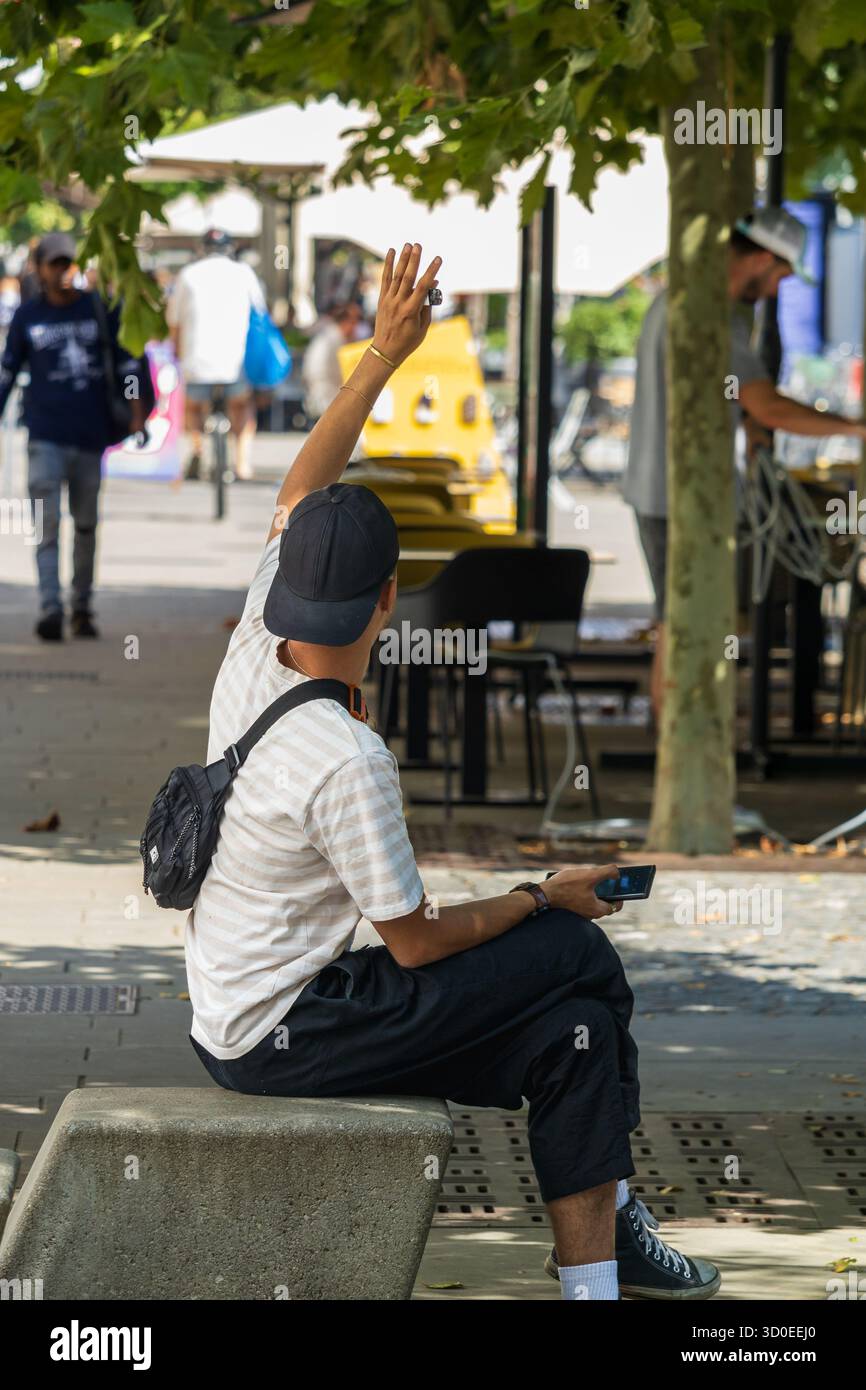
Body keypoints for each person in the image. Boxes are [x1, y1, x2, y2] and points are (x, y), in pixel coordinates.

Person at [185, 242, 721, 1303]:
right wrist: (535, 894)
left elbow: (303, 481)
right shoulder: (346, 758)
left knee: (569, 1035)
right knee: (572, 944)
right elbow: (419, 941)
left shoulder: (255, 643)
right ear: (390, 601)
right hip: (288, 1030)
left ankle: (598, 1280)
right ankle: (617, 1213)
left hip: (247, 1007)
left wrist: (380, 353)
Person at [623, 207, 866, 720]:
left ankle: (679, 747)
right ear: (759, 257)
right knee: (692, 624)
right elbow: (768, 404)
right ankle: (687, 753)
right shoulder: (710, 314)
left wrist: (748, 428)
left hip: (660, 491)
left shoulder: (674, 302)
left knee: (680, 621)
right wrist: (854, 428)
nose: (779, 288)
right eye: (780, 273)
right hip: (682, 499)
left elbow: (723, 400)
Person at [0, 232, 148, 641]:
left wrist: (136, 411)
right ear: (40, 269)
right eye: (56, 264)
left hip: (89, 436)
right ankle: (51, 606)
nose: (64, 271)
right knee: (46, 524)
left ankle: (81, 606)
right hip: (44, 435)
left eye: (69, 263)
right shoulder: (28, 317)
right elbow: (8, 372)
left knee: (85, 525)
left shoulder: (99, 309)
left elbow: (129, 365)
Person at [167, 228, 265, 481]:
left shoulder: (187, 275)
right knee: (242, 406)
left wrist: (177, 355)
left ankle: (198, 451)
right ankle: (242, 463)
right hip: (236, 361)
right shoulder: (244, 273)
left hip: (196, 362)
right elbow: (261, 313)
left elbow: (174, 323)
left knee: (193, 407)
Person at [300, 301, 363, 421]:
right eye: (355, 322)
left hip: (326, 394)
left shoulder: (332, 336)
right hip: (326, 396)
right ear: (348, 321)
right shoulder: (333, 340)